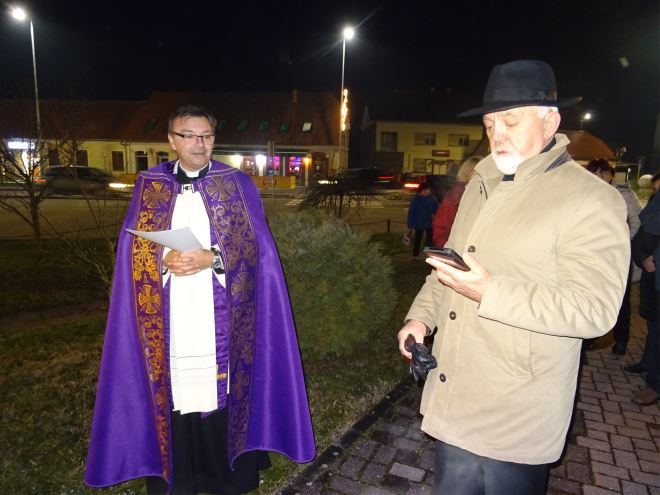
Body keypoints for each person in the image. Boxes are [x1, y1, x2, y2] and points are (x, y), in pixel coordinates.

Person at [397, 60, 629, 495]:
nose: (497, 134)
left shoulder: (590, 199)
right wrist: (420, 319)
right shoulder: (481, 183)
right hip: (456, 392)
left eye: (511, 121)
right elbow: (449, 268)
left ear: (550, 122)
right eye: (489, 124)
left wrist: (490, 291)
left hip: (517, 410)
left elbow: (595, 311)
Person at [85, 105, 315, 494]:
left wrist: (213, 258)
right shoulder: (149, 185)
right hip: (171, 312)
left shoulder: (236, 184)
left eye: (206, 135)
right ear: (171, 140)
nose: (199, 143)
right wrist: (161, 259)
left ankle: (226, 477)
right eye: (189, 135)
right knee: (173, 391)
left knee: (220, 388)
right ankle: (178, 478)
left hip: (220, 313)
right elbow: (131, 247)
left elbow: (259, 250)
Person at [586, 158, 642, 356]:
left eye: (598, 174)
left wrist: (621, 244)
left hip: (618, 255)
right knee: (591, 293)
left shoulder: (624, 194)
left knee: (621, 298)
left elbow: (637, 222)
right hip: (593, 253)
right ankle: (590, 337)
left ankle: (621, 340)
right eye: (592, 174)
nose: (596, 178)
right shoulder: (588, 191)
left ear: (607, 174)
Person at [627, 172, 660, 405]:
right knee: (653, 324)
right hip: (653, 274)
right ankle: (649, 364)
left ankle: (655, 383)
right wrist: (643, 256)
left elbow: (651, 223)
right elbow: (643, 232)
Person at [431, 156, 482, 247]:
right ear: (468, 172)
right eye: (479, 172)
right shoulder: (456, 195)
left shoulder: (486, 192)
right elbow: (442, 224)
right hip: (458, 248)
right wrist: (446, 248)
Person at [407, 182, 439, 256]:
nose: (426, 192)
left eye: (427, 190)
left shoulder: (432, 198)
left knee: (429, 239)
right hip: (419, 223)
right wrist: (410, 225)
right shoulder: (416, 200)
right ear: (420, 191)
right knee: (417, 239)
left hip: (429, 222)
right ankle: (415, 255)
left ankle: (429, 253)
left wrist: (435, 215)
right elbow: (411, 213)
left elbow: (436, 208)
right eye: (424, 190)